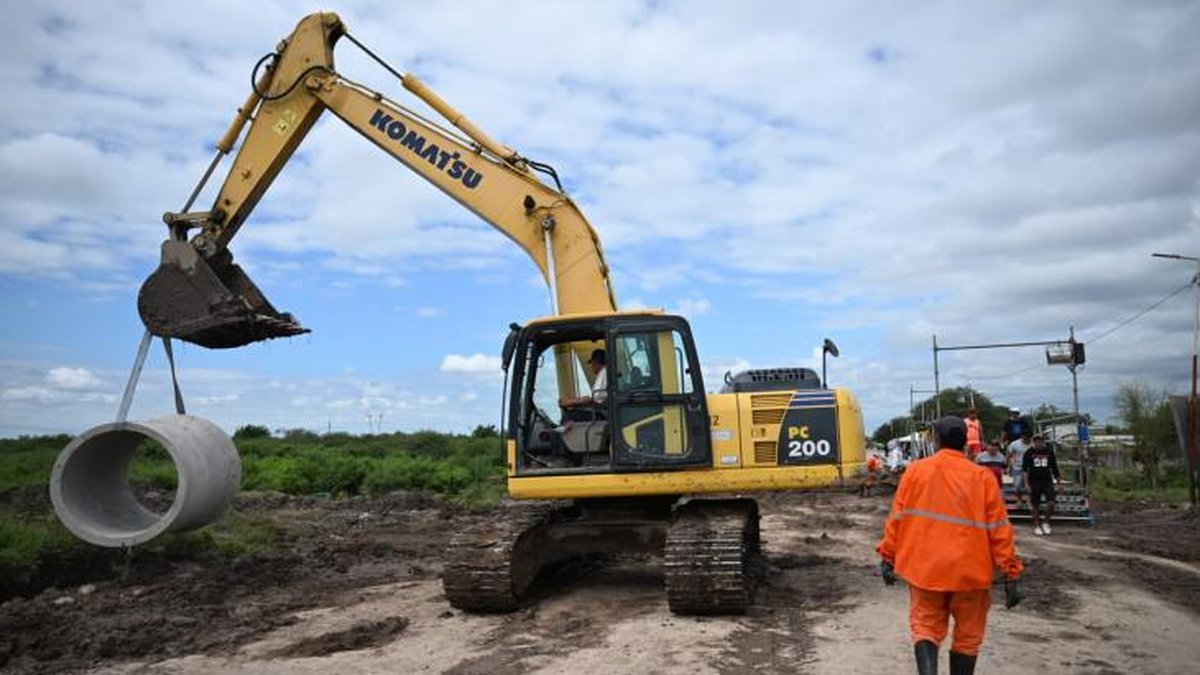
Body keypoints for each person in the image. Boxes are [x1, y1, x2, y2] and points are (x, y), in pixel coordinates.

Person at [878, 416, 1024, 675]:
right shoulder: (982, 478)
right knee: (968, 637)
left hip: (926, 571)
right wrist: (1011, 571)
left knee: (925, 628)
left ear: (936, 440)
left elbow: (896, 520)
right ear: (965, 443)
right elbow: (1000, 530)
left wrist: (888, 557)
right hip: (971, 574)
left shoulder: (915, 472)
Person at [1023, 435, 1062, 536]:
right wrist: (1026, 484)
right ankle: (1037, 525)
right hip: (1034, 481)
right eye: (1036, 441)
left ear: (1043, 442)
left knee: (1051, 503)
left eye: (1040, 441)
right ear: (1033, 442)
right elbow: (1025, 470)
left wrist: (1059, 482)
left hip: (1047, 481)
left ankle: (1046, 522)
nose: (1038, 443)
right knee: (1035, 504)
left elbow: (1054, 468)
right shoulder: (1029, 452)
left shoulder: (1049, 452)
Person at [559, 349, 607, 417]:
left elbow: (595, 399)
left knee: (569, 415)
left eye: (591, 363)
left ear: (596, 362)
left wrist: (571, 402)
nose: (591, 366)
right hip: (600, 410)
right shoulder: (605, 373)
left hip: (600, 413)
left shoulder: (604, 374)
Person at [1007, 430, 1034, 510]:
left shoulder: (1033, 444)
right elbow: (1009, 455)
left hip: (1030, 468)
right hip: (1017, 467)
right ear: (1022, 436)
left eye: (1028, 438)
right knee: (1017, 486)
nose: (1027, 439)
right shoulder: (1015, 444)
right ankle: (1019, 499)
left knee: (1030, 485)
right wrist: (1009, 467)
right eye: (1025, 437)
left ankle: (1029, 500)